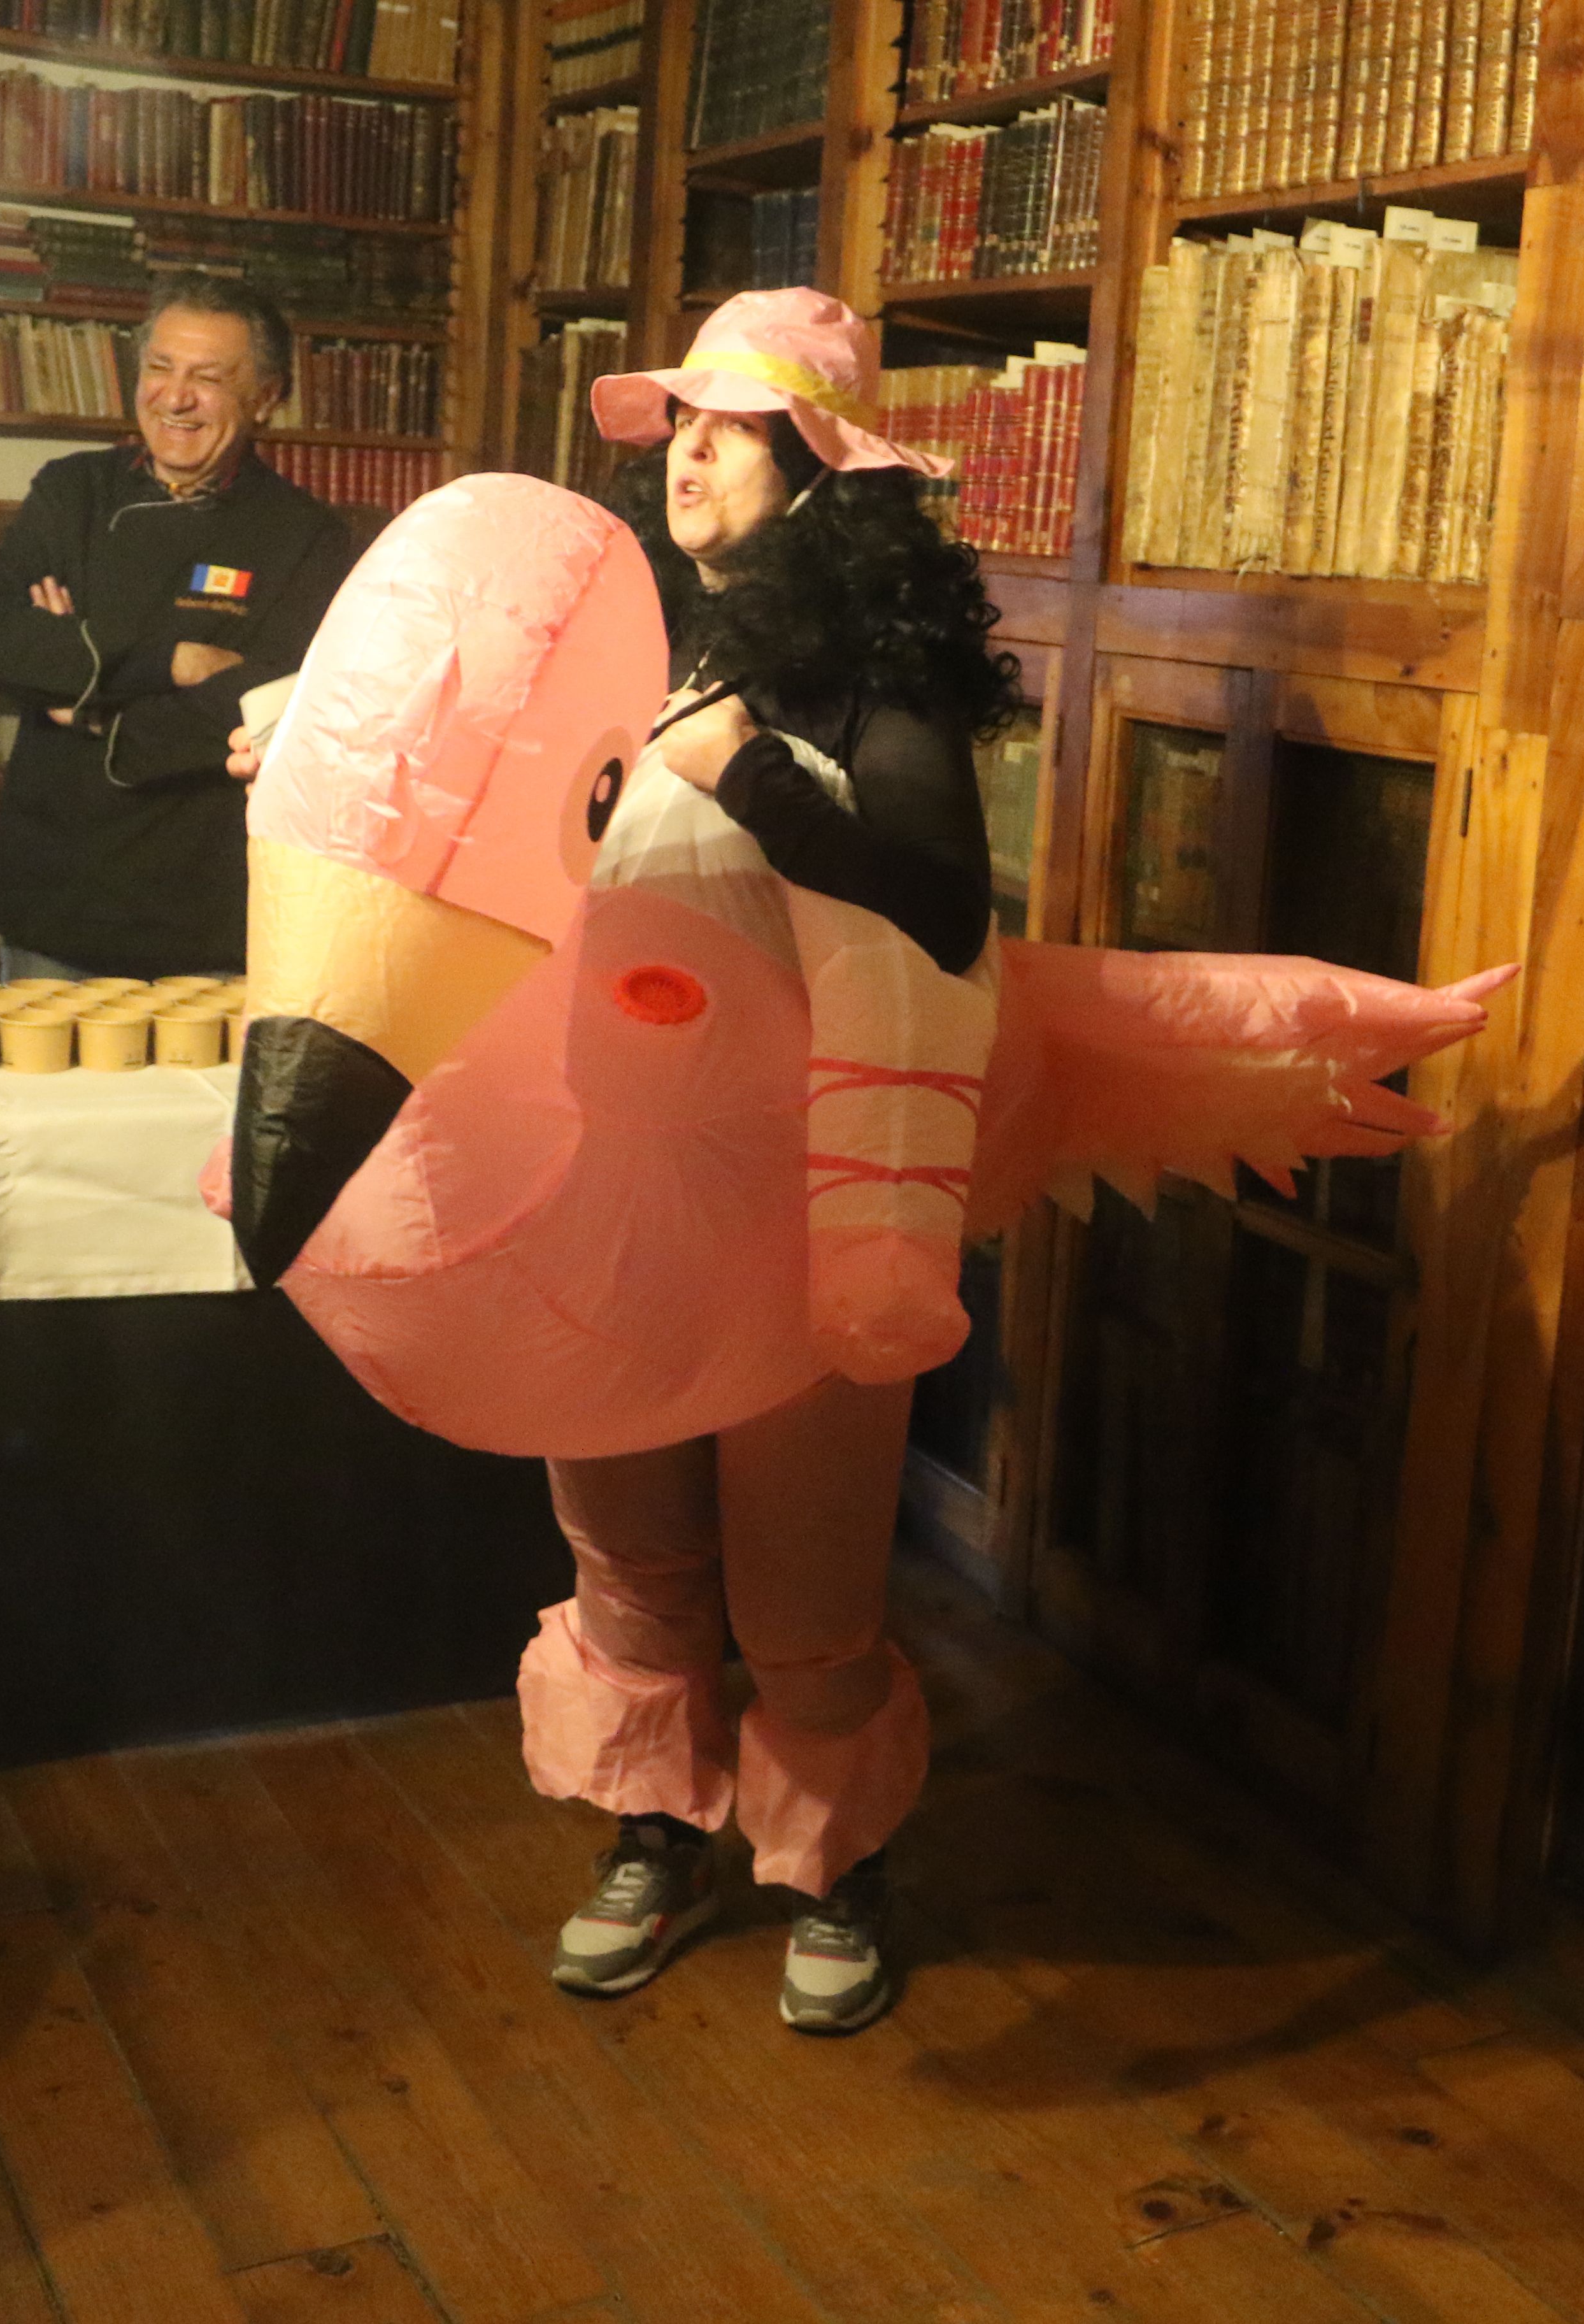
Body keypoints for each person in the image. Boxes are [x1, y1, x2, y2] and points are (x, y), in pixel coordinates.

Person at [531, 289, 1004, 2030]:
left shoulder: (871, 674)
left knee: (802, 1581)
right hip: (624, 1186)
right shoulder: (669, 642)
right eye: (680, 424)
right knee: (632, 1553)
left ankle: (835, 1870)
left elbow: (944, 904)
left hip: (797, 1201)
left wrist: (744, 779)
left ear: (816, 461)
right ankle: (656, 1833)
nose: (687, 453)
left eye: (726, 426)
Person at [0, 273, 357, 980]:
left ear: (266, 398)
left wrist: (85, 707)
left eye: (208, 378)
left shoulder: (310, 539)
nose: (175, 398)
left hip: (204, 918)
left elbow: (269, 706)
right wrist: (173, 661)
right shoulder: (71, 492)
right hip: (54, 903)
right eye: (160, 368)